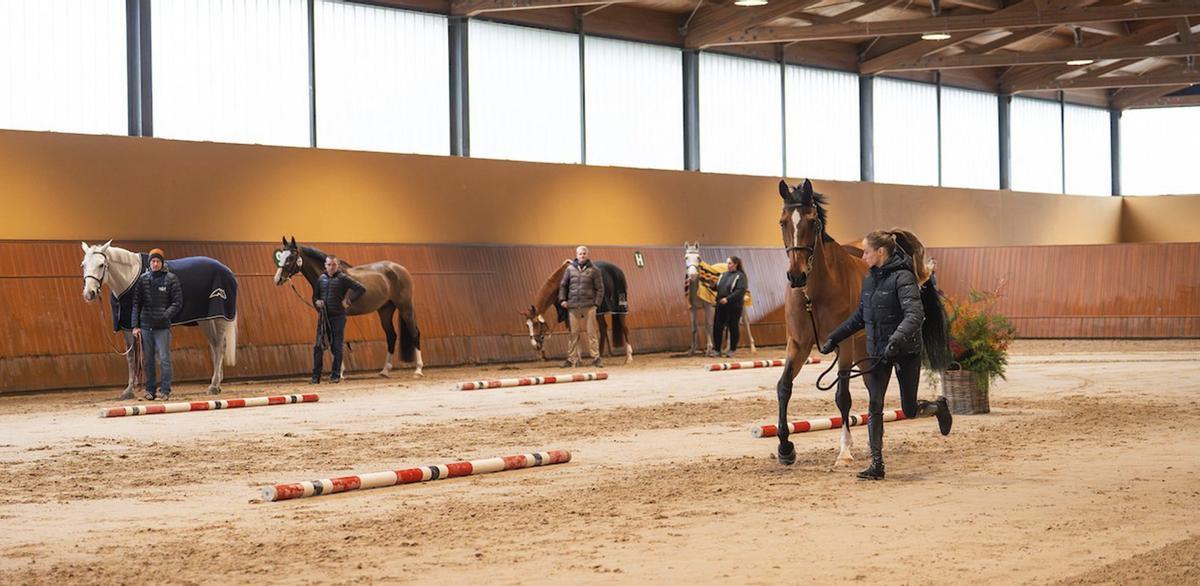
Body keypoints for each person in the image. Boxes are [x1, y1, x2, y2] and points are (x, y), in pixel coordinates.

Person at [819, 229, 953, 481]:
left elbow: (915, 315)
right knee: (875, 405)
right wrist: (833, 338)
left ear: (880, 252)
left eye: (867, 251)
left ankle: (937, 407)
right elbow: (861, 316)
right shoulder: (869, 279)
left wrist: (896, 340)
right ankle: (877, 463)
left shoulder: (904, 278)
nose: (864, 255)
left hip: (905, 351)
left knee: (909, 409)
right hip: (878, 350)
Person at [132, 248, 182, 401]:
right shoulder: (143, 279)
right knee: (148, 360)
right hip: (146, 326)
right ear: (150, 263)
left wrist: (165, 315)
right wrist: (135, 325)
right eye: (153, 261)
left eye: (158, 261)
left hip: (162, 328)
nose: (155, 264)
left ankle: (165, 390)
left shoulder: (171, 279)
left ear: (162, 263)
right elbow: (136, 304)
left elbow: (177, 302)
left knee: (165, 359)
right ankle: (150, 390)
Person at [312, 255, 365, 384]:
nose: (331, 267)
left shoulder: (343, 278)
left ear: (338, 265)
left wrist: (349, 300)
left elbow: (361, 289)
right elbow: (314, 297)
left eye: (334, 265)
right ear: (325, 265)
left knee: (337, 347)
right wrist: (317, 302)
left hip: (338, 317)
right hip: (324, 317)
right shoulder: (321, 279)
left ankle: (335, 375)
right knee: (318, 347)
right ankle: (315, 377)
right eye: (329, 265)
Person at [559, 245, 605, 368]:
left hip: (589, 305)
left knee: (592, 333)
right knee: (573, 333)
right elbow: (563, 285)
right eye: (580, 254)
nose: (582, 256)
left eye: (584, 253)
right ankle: (570, 359)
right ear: (577, 255)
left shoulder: (595, 270)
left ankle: (596, 358)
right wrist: (563, 299)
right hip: (573, 306)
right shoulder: (569, 269)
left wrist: (596, 304)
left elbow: (600, 289)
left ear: (587, 255)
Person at [711, 256, 748, 358]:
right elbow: (718, 287)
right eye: (727, 263)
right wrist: (712, 285)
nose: (727, 265)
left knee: (733, 327)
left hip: (733, 306)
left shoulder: (741, 276)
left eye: (729, 263)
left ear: (736, 264)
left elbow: (740, 291)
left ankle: (732, 350)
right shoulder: (723, 275)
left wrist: (728, 299)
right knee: (717, 327)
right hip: (721, 305)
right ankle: (717, 350)